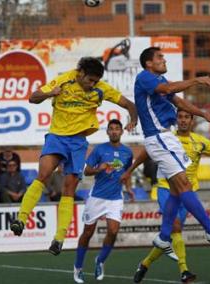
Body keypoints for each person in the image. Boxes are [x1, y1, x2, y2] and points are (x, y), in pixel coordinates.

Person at [10, 57, 138, 256]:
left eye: (96, 81)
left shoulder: (101, 89)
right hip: (57, 137)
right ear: (80, 73)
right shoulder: (64, 80)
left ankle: (59, 238)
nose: (93, 84)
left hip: (78, 142)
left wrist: (133, 119)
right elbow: (32, 97)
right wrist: (50, 94)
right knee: (43, 175)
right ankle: (21, 219)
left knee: (69, 188)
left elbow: (130, 104)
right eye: (90, 80)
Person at [121, 109, 210, 283]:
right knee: (176, 226)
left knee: (172, 232)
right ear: (176, 119)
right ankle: (184, 271)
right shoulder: (166, 138)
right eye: (180, 117)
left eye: (187, 117)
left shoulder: (200, 141)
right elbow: (145, 153)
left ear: (192, 121)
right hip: (166, 188)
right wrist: (129, 171)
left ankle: (145, 263)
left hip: (187, 193)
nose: (183, 120)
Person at [133, 47, 210, 256]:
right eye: (159, 57)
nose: (163, 60)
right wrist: (196, 80)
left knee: (176, 189)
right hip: (158, 136)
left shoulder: (160, 80)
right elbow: (167, 88)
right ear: (148, 63)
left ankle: (164, 237)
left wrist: (204, 114)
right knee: (184, 185)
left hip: (165, 138)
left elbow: (179, 101)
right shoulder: (145, 77)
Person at [73, 119, 134, 283]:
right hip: (97, 197)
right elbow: (86, 171)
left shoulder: (128, 152)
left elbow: (127, 172)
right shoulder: (99, 150)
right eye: (111, 129)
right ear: (107, 132)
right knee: (88, 233)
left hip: (115, 198)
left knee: (113, 232)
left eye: (117, 129)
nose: (114, 131)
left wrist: (128, 188)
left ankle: (99, 261)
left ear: (121, 132)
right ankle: (78, 267)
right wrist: (98, 169)